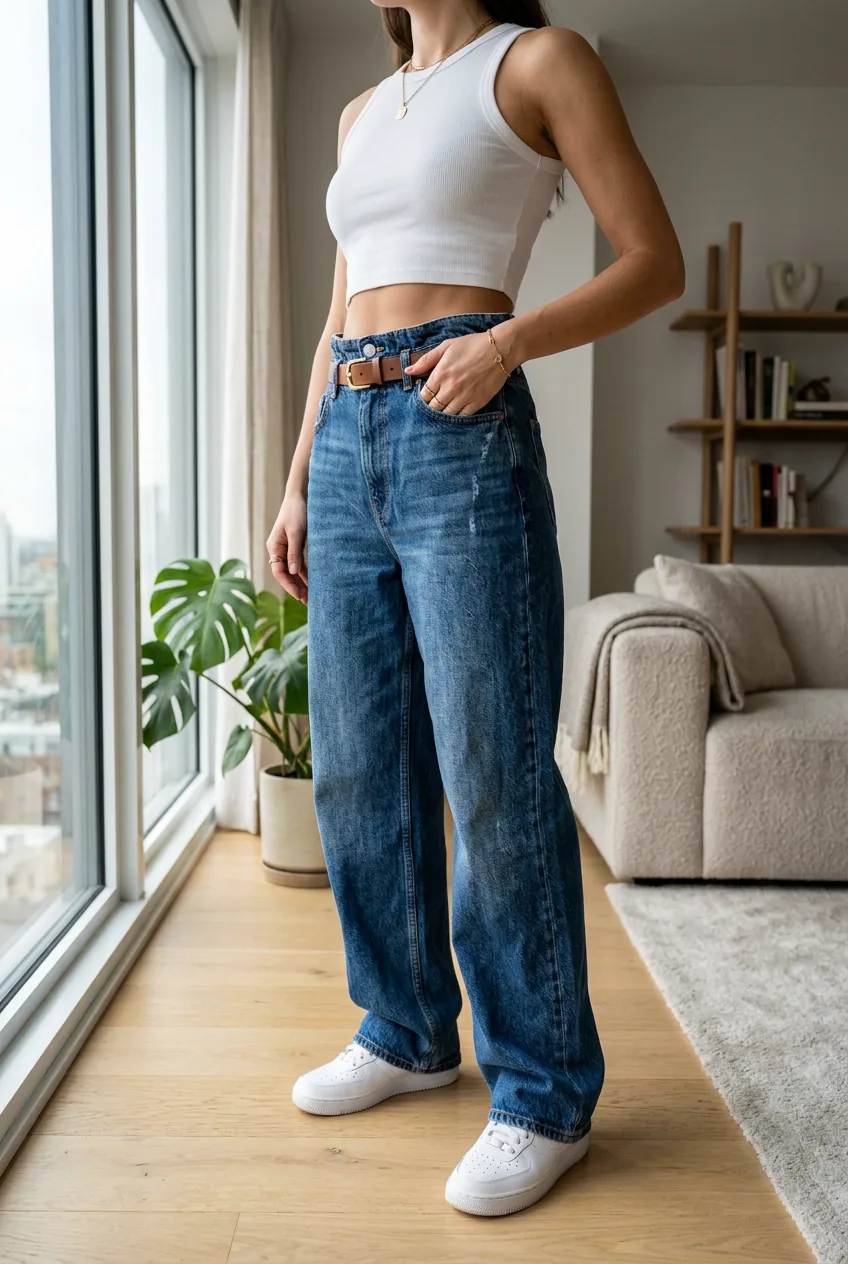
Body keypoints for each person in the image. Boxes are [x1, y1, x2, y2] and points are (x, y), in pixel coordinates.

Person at [266, 0, 684, 1218]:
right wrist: (299, 478)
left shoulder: (536, 61)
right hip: (348, 432)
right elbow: (338, 310)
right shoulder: (362, 107)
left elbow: (648, 256)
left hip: (463, 420)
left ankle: (544, 1093)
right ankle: (402, 1028)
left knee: (493, 768)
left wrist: (507, 344)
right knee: (355, 762)